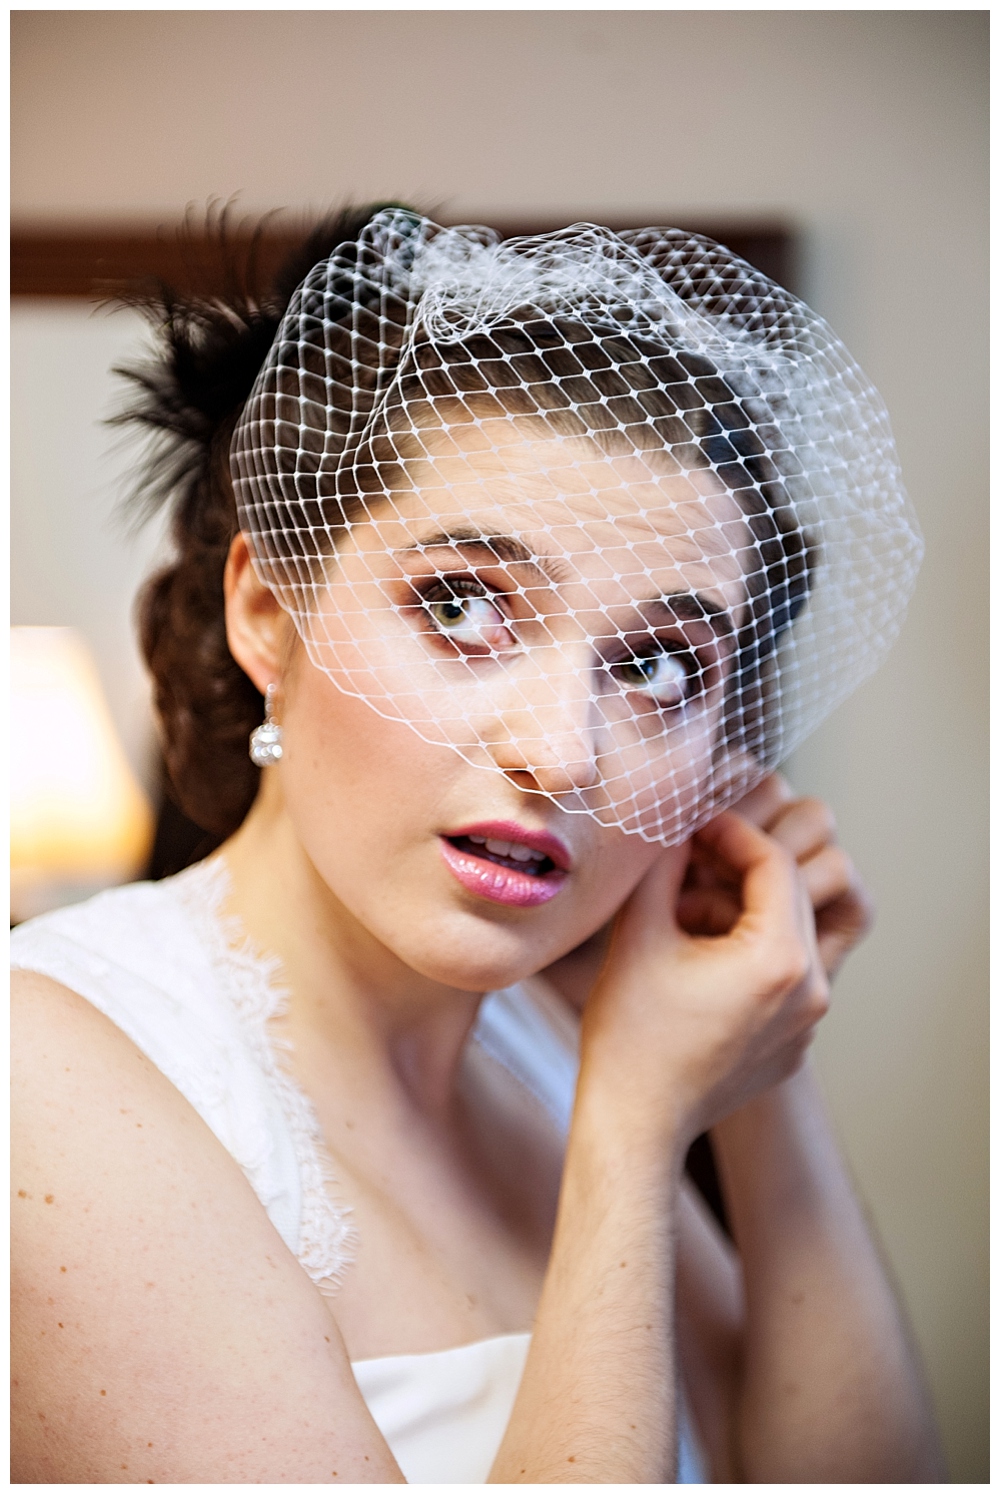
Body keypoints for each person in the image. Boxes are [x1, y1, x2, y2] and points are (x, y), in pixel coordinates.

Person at [12, 207, 944, 1483]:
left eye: (661, 664)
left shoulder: (551, 1032)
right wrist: (629, 1131)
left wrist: (765, 1064)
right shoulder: (42, 1083)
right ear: (268, 616)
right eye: (462, 607)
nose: (563, 753)